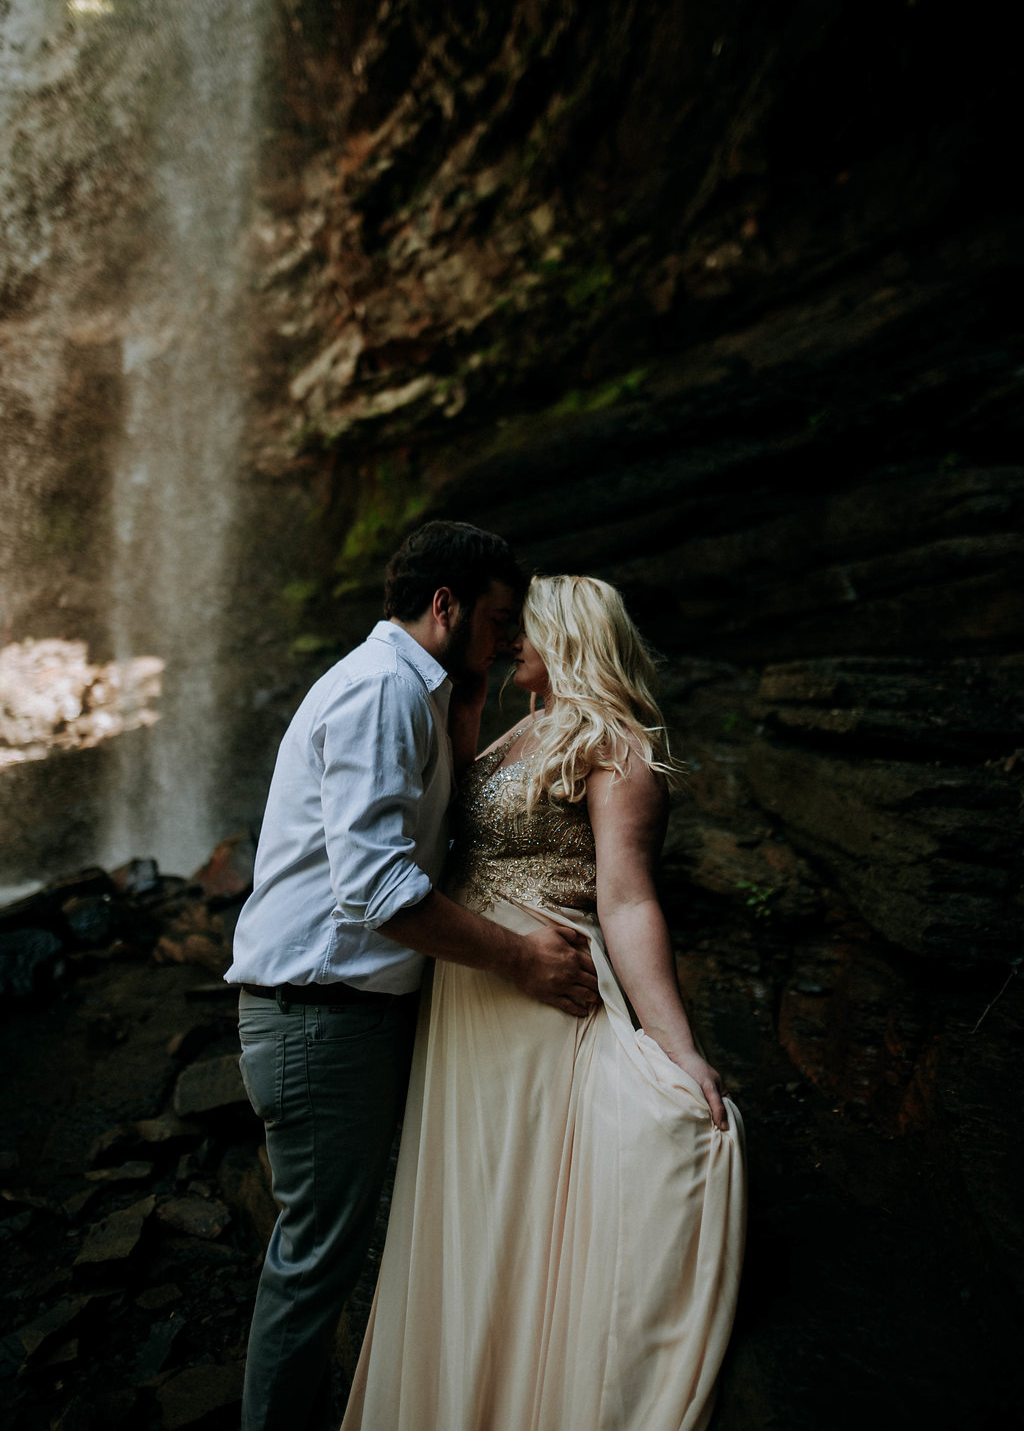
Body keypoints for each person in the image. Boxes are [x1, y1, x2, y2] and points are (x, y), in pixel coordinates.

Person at [341, 574, 747, 1431]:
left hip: (541, 999)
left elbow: (628, 898)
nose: (509, 637)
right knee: (471, 1212)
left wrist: (678, 1045)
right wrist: (473, 700)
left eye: (527, 627)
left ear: (570, 633)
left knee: (534, 1201)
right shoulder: (515, 731)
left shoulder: (617, 744)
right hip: (469, 999)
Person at [226, 525, 600, 1431]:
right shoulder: (380, 691)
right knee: (315, 1261)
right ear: (446, 605)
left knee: (329, 1251)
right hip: (319, 1017)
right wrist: (522, 958)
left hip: (345, 1015)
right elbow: (379, 891)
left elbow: (432, 837)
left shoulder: (416, 691)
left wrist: (466, 705)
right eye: (500, 621)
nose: (513, 643)